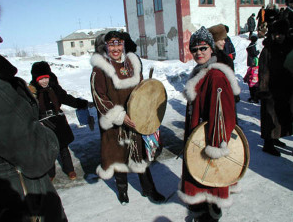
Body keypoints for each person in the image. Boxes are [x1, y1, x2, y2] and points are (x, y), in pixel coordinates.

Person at [0, 0, 67, 221]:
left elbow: (65, 98)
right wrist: (45, 133)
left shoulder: (53, 88)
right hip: (25, 207)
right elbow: (35, 155)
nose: (0, 38)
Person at [90, 31, 165, 205]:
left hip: (135, 119)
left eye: (118, 44)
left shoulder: (132, 64)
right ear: (106, 47)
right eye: (111, 45)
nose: (115, 48)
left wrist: (147, 109)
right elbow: (99, 97)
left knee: (140, 157)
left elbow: (142, 92)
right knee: (118, 158)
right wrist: (120, 116)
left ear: (123, 44)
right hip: (115, 123)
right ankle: (122, 191)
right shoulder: (100, 69)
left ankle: (149, 189)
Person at [178, 26, 241, 222]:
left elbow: (225, 116)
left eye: (203, 48)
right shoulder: (201, 72)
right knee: (201, 186)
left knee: (209, 183)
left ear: (211, 49)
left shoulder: (216, 76)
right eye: (194, 49)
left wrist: (215, 146)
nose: (198, 53)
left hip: (209, 142)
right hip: (198, 140)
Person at [29, 61, 89, 181]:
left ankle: (69, 169)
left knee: (63, 147)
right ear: (36, 79)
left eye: (46, 77)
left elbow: (66, 98)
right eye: (41, 79)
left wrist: (81, 103)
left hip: (58, 121)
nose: (44, 81)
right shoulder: (32, 92)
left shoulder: (54, 88)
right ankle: (50, 173)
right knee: (48, 149)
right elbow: (30, 108)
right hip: (44, 124)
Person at [258, 19, 293, 157]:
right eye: (277, 34)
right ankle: (268, 144)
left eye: (282, 34)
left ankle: (275, 138)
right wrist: (263, 90)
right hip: (270, 90)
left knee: (279, 117)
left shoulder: (286, 48)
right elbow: (263, 71)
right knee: (269, 118)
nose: (279, 37)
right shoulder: (268, 50)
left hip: (284, 89)